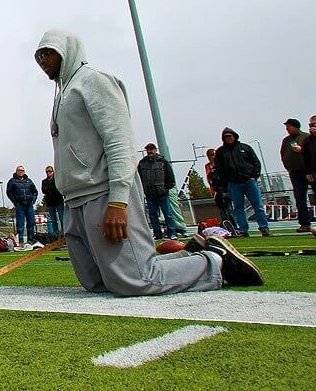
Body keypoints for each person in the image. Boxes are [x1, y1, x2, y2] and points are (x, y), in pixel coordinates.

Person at [34, 28, 261, 293]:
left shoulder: (93, 81)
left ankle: (215, 262)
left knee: (135, 280)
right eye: (38, 56)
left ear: (67, 50)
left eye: (48, 52)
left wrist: (118, 202)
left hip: (103, 191)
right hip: (74, 199)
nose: (42, 61)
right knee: (96, 282)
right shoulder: (61, 94)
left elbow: (119, 142)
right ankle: (192, 252)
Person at [214, 128, 270, 237]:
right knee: (238, 207)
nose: (228, 139)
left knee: (257, 205)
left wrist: (254, 176)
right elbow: (219, 169)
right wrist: (225, 183)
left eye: (230, 136)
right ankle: (243, 229)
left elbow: (256, 162)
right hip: (234, 184)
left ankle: (264, 228)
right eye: (226, 137)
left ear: (234, 136)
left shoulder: (245, 148)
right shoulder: (221, 152)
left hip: (249, 181)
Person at [137, 143, 177, 240]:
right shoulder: (142, 163)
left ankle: (172, 233)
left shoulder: (163, 162)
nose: (149, 151)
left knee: (168, 214)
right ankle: (157, 234)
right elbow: (139, 178)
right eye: (148, 150)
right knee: (153, 215)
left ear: (155, 150)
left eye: (151, 149)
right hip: (150, 194)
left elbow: (170, 178)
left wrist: (165, 188)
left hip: (162, 193)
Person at [280, 118, 311, 233]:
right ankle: (304, 223)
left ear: (296, 126)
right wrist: (288, 167)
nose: (287, 129)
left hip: (309, 171)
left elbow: (311, 152)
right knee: (299, 198)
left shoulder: (307, 137)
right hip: (295, 172)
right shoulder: (286, 140)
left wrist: (301, 150)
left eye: (289, 126)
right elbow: (283, 154)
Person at [7, 166, 38, 245]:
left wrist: (33, 201)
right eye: (19, 170)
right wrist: (15, 202)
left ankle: (30, 240)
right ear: (16, 171)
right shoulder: (12, 181)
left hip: (29, 205)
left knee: (31, 223)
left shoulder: (29, 181)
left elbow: (35, 192)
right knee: (20, 224)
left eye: (22, 170)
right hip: (20, 206)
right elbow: (9, 193)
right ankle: (20, 241)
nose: (21, 171)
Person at [205, 149, 234, 226]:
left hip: (225, 189)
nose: (213, 156)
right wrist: (212, 190)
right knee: (222, 210)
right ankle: (226, 225)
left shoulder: (221, 164)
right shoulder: (208, 166)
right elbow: (209, 179)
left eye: (214, 154)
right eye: (211, 155)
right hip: (217, 190)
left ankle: (235, 225)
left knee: (229, 208)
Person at [302, 116, 316, 238]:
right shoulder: (308, 141)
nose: (312, 127)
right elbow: (306, 159)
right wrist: (308, 172)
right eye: (311, 125)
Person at [41, 166, 65, 238]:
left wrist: (50, 188)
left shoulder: (57, 180)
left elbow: (58, 188)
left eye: (50, 171)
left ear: (53, 172)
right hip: (50, 203)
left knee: (62, 219)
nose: (48, 173)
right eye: (47, 172)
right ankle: (56, 236)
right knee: (54, 221)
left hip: (59, 202)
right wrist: (52, 188)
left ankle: (64, 235)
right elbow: (44, 190)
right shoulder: (44, 181)